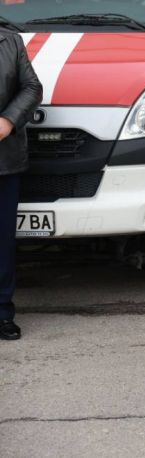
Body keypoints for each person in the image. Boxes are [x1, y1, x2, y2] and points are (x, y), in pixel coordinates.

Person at [0, 30, 42, 341]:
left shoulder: (9, 41)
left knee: (3, 242)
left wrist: (8, 120)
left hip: (4, 161)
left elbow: (31, 87)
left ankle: (3, 312)